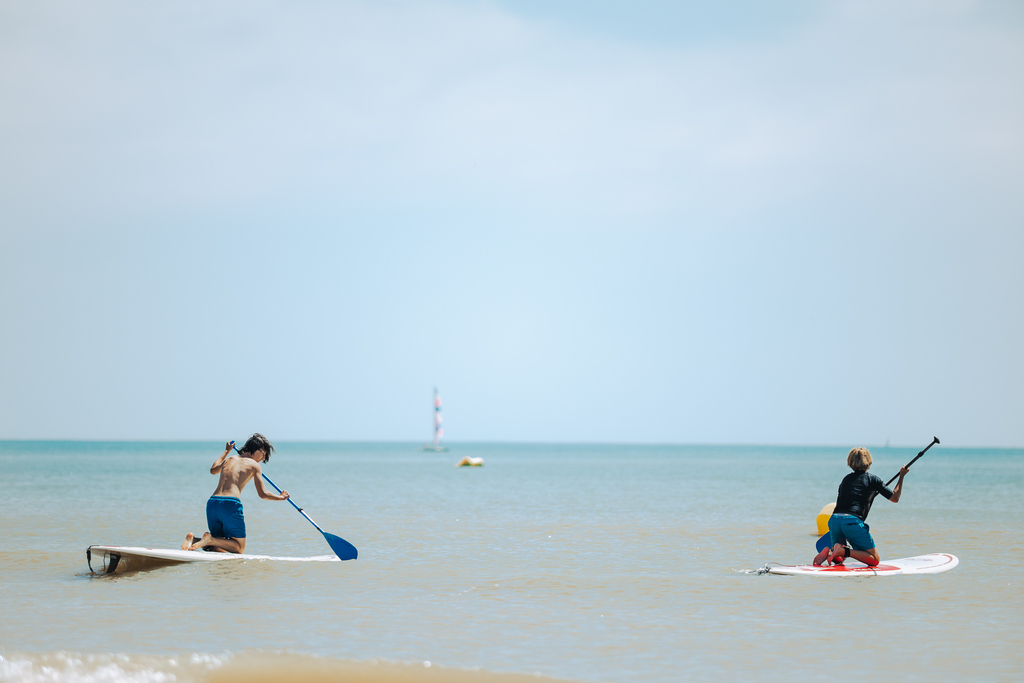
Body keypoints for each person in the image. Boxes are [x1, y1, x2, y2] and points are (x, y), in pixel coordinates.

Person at [181, 433, 289, 554]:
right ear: (257, 449)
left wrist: (227, 451)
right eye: (263, 454)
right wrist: (281, 497)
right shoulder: (254, 465)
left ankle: (195, 540)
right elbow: (263, 494)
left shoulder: (230, 459)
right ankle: (209, 539)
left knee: (220, 548)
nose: (263, 458)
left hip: (212, 503)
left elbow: (213, 470)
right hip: (230, 504)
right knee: (239, 547)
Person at [813, 447, 908, 567]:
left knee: (838, 560)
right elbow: (895, 498)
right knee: (874, 559)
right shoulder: (872, 479)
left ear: (850, 462)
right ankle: (843, 551)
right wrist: (901, 476)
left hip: (835, 520)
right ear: (868, 462)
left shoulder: (846, 479)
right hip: (851, 522)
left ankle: (831, 552)